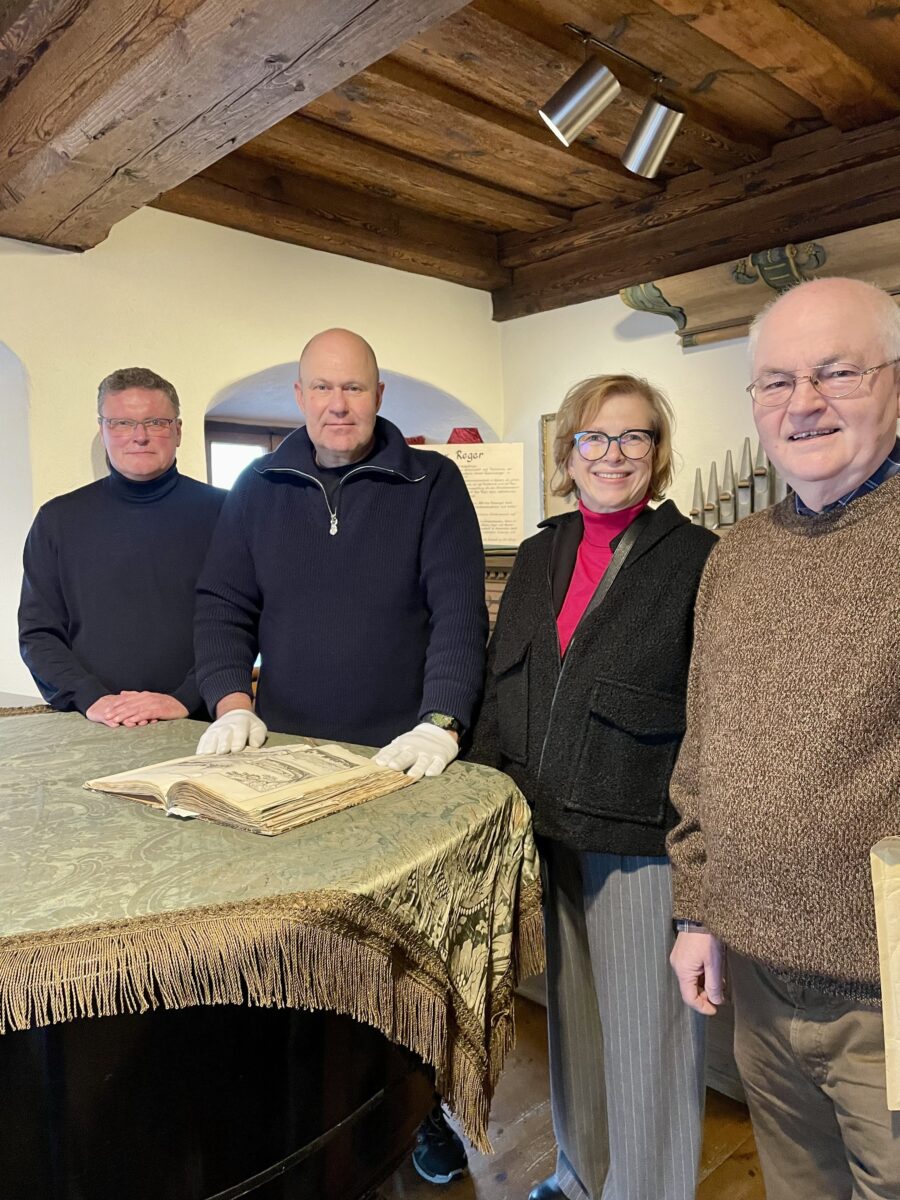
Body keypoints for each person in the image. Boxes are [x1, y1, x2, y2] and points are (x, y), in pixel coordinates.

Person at [193, 327, 488, 1184]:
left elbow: (457, 610)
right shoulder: (257, 486)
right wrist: (232, 700)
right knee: (313, 954)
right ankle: (316, 1117)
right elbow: (221, 605)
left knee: (407, 959)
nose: (338, 404)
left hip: (402, 762)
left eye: (353, 387)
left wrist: (441, 722)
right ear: (298, 397)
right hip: (291, 763)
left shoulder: (431, 481)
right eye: (322, 388)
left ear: (379, 394)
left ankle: (420, 1107)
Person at [668, 276, 900, 1200]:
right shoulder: (735, 556)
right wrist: (697, 910)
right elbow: (703, 749)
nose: (802, 403)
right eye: (776, 381)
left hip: (886, 1000)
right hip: (757, 981)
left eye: (837, 372)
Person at [470, 375, 717, 1200]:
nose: (613, 454)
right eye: (594, 438)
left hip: (638, 832)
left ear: (657, 452)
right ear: (568, 451)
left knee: (649, 1042)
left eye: (633, 437)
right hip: (545, 823)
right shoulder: (539, 553)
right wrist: (487, 796)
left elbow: (712, 711)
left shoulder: (696, 558)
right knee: (574, 1026)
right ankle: (583, 1176)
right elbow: (504, 681)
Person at [19, 367, 226, 726]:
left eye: (156, 422)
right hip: (93, 722)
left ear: (178, 431)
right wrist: (92, 699)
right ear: (103, 431)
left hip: (199, 720)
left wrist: (185, 698)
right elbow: (39, 634)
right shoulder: (58, 520)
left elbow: (246, 624)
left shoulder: (228, 513)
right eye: (122, 423)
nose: (139, 436)